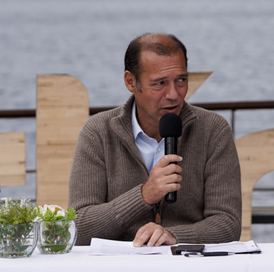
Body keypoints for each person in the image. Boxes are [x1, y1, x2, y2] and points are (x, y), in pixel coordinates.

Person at [68, 33, 241, 246]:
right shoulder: (98, 132)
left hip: (188, 263)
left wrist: (175, 237)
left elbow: (228, 224)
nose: (173, 94)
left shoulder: (213, 130)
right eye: (159, 83)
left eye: (181, 80)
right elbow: (78, 227)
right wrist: (144, 195)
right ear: (131, 82)